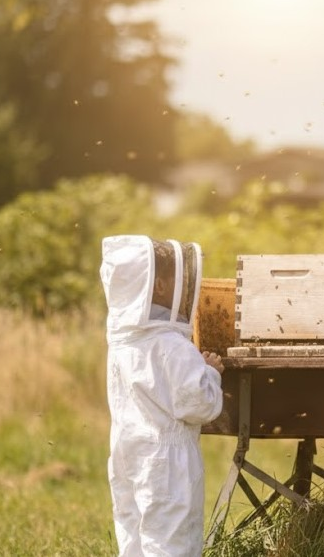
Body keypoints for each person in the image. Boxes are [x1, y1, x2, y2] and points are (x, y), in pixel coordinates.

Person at [99, 234, 225, 556]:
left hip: (127, 452)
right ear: (158, 287)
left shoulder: (123, 344)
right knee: (172, 542)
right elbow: (198, 403)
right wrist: (210, 372)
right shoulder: (172, 345)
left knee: (134, 537)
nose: (184, 288)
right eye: (177, 280)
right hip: (166, 463)